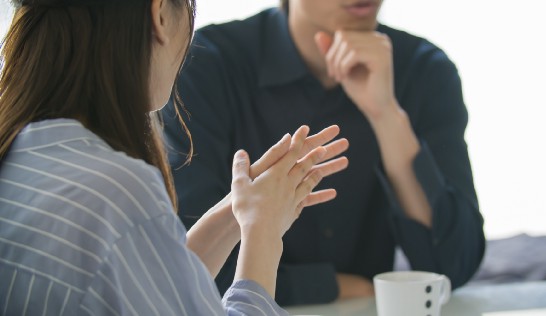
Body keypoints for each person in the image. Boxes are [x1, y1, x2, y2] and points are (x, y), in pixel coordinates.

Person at [0, 0, 348, 314]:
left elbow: (156, 287)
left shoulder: (27, 154)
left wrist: (236, 212)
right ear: (161, 14)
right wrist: (264, 232)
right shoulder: (115, 189)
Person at [162, 0, 486, 306]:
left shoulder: (426, 70)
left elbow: (453, 264)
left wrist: (386, 114)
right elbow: (189, 264)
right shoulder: (205, 64)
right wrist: (332, 286)